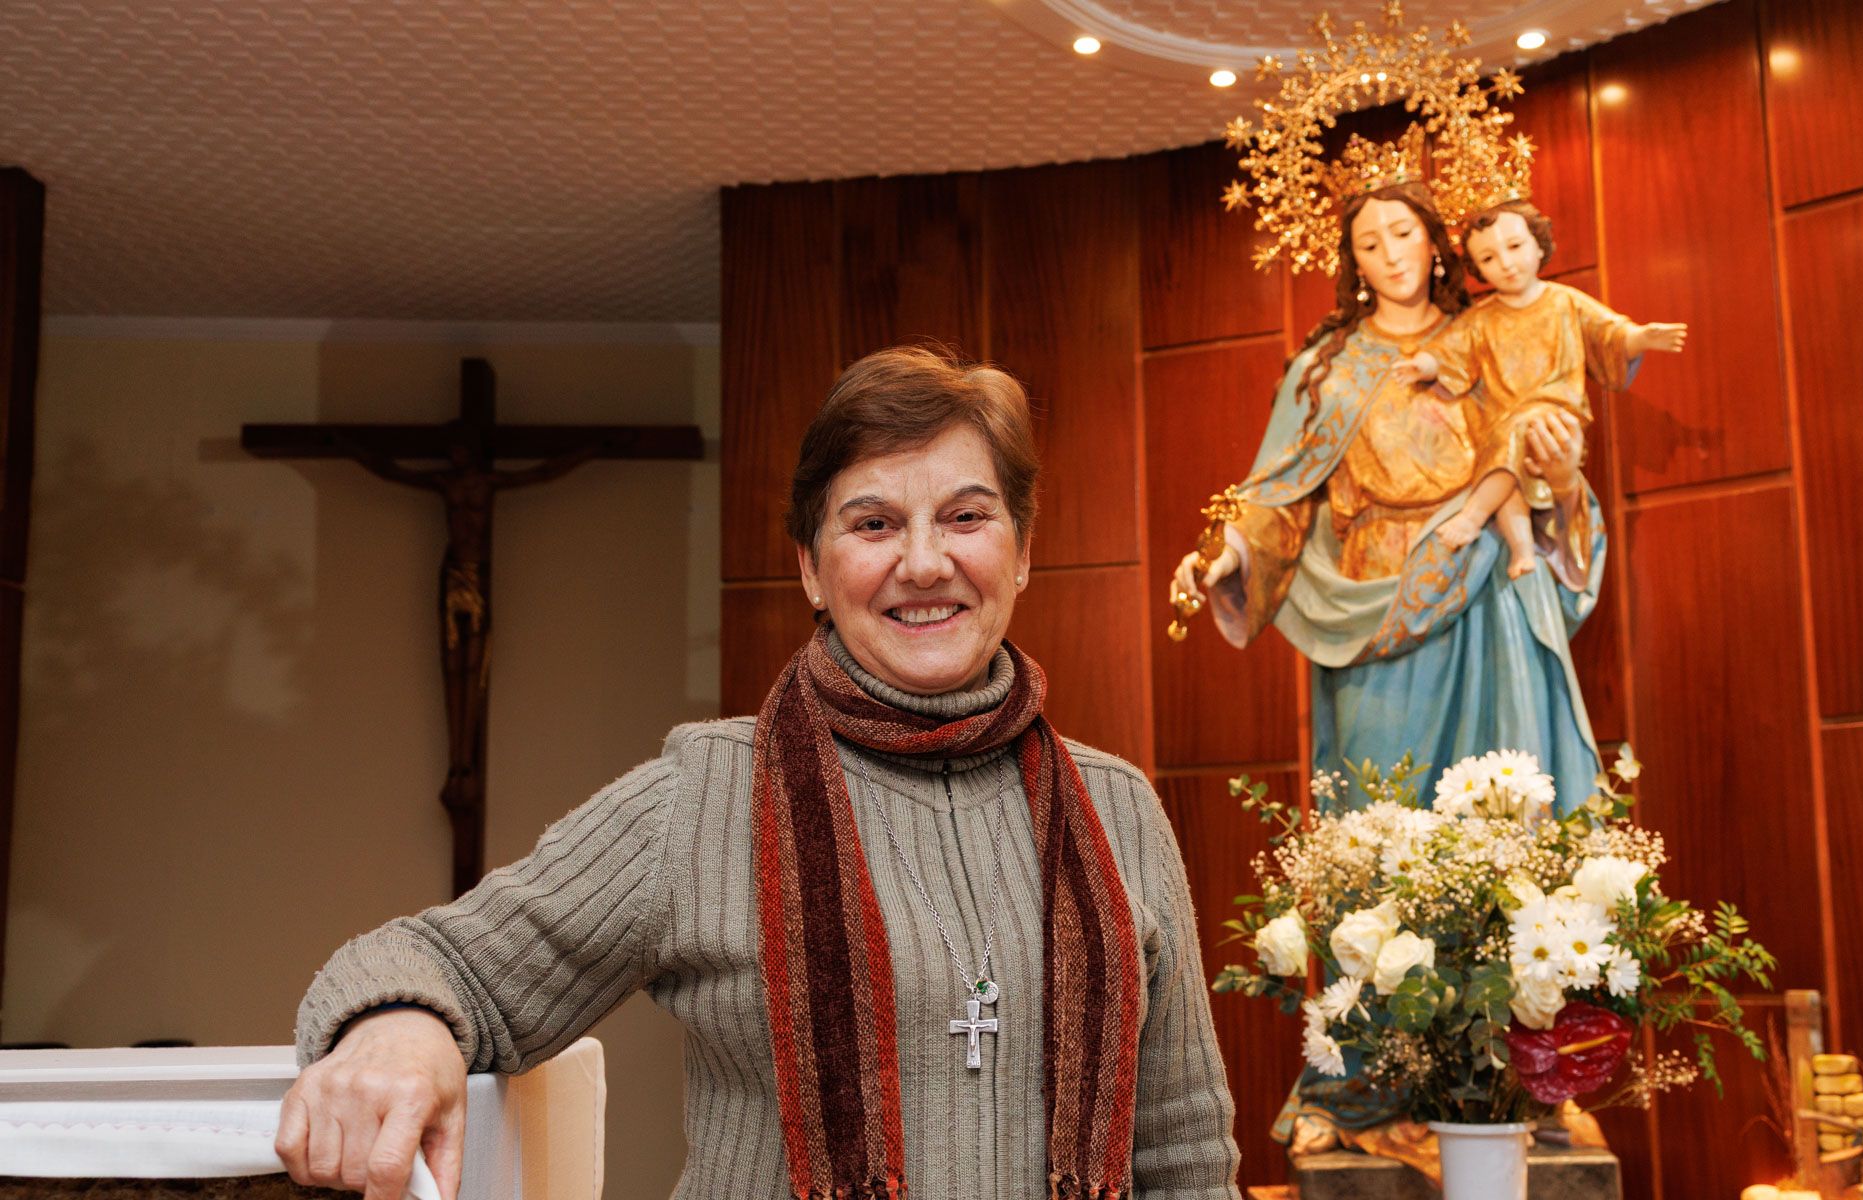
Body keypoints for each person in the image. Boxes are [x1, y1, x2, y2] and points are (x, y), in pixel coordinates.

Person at [279, 347, 1241, 1200]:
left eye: (965, 516)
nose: (923, 561)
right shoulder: (703, 796)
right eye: (872, 523)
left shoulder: (1116, 808)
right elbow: (439, 963)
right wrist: (400, 1028)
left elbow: (1186, 1153)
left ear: (1022, 552)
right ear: (812, 571)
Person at [1169, 183, 1605, 809]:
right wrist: (1225, 552)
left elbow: (1540, 476)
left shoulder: (1488, 341)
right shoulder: (1329, 369)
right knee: (1379, 808)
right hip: (1375, 604)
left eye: (1403, 234)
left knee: (1502, 813)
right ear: (1355, 265)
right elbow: (1278, 494)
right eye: (1370, 244)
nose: (1392, 255)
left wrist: (1562, 479)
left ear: (1434, 244)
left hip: (1488, 592)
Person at [1413, 200, 1686, 579]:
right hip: (1506, 425)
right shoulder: (1481, 319)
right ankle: (1523, 551)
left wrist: (1640, 338)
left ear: (1539, 245)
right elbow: (1449, 353)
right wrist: (1423, 365)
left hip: (1558, 415)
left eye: (1515, 246)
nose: (1506, 263)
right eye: (1489, 258)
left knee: (1510, 441)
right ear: (1478, 269)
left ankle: (1474, 515)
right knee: (1504, 464)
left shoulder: (1564, 302)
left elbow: (1607, 333)